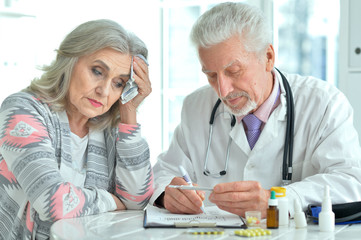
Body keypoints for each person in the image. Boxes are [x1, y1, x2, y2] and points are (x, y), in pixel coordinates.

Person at [150, 2, 361, 220]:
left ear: (268, 57)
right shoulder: (196, 107)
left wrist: (278, 200)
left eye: (233, 71)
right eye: (211, 75)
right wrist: (168, 193)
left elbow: (350, 181)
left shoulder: (323, 103)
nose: (223, 89)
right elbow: (164, 172)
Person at [0, 19, 153, 240]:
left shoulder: (109, 129)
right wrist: (112, 201)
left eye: (119, 83)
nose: (104, 91)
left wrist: (129, 111)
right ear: (69, 61)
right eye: (97, 71)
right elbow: (52, 202)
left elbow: (137, 201)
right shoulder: (21, 110)